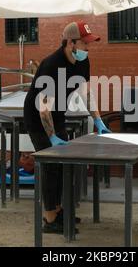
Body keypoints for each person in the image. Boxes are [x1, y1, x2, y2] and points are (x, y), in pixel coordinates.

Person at [23, 21, 111, 234]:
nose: (88, 48)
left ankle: (59, 210)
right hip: (38, 119)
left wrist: (98, 121)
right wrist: (51, 137)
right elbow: (43, 107)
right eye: (84, 43)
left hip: (58, 116)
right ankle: (50, 218)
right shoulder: (51, 65)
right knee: (51, 165)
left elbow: (85, 93)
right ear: (70, 43)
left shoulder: (82, 62)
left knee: (62, 165)